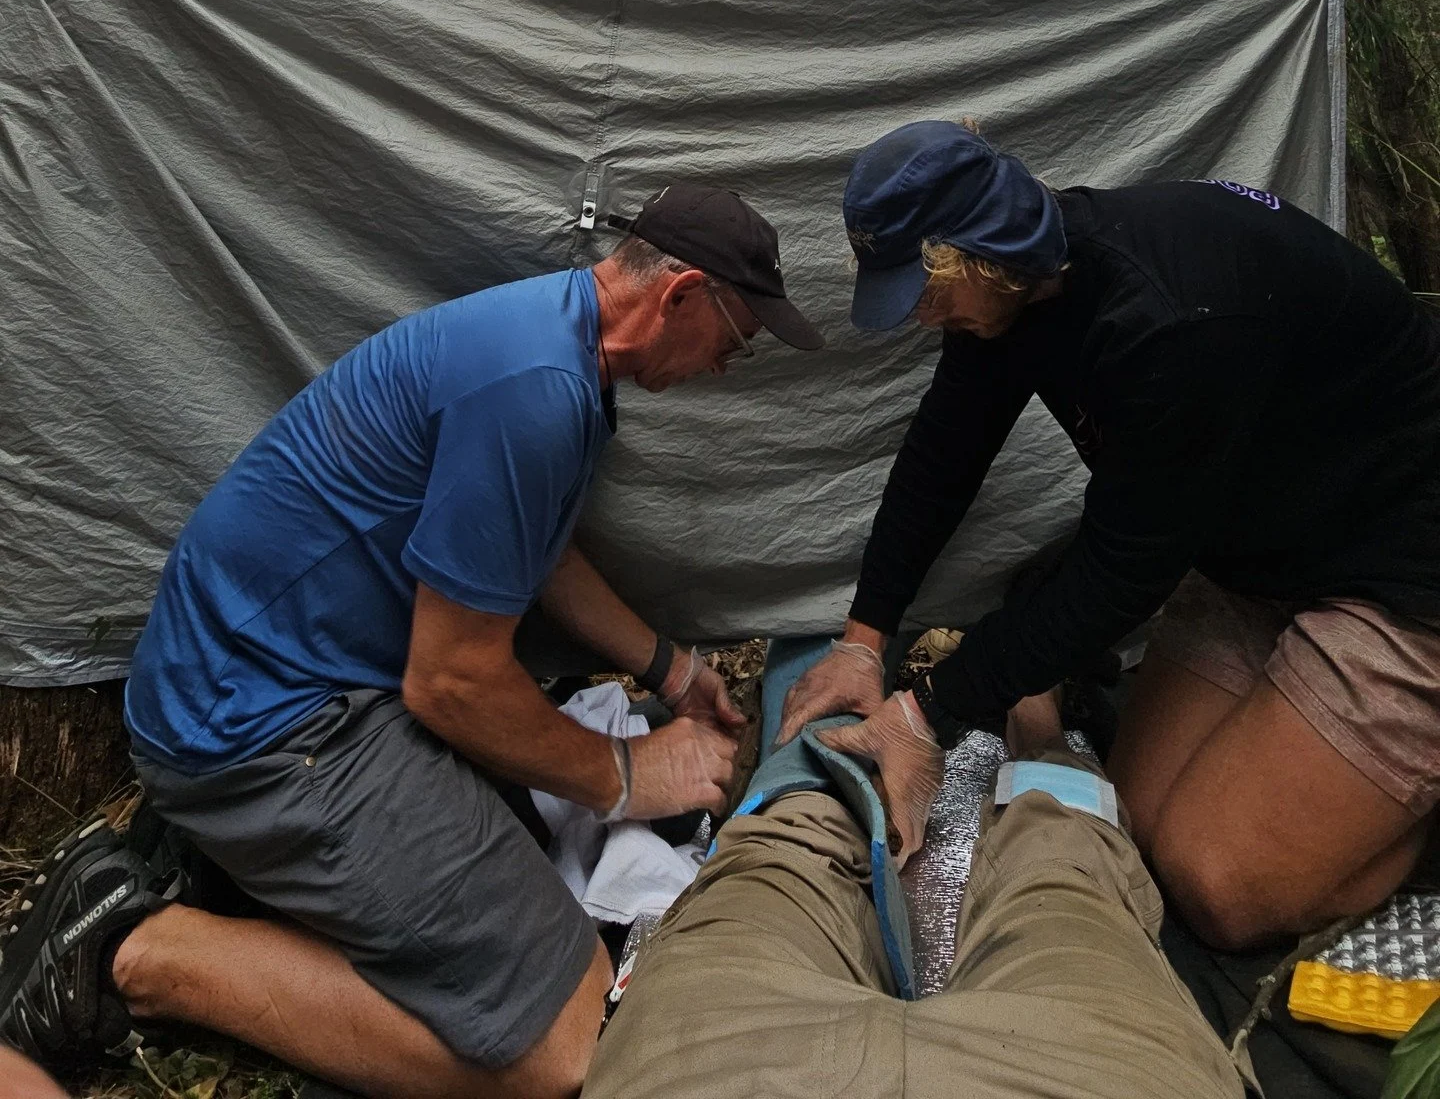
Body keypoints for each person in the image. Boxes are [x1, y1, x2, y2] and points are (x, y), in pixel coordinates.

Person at [0, 182, 823, 1099]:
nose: (724, 369)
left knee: (520, 859)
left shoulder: (551, 345)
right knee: (575, 1047)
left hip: (265, 687)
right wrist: (628, 778)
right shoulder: (538, 390)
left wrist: (672, 672)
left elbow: (535, 552)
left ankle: (237, 877)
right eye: (736, 341)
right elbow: (453, 686)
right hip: (261, 735)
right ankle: (130, 948)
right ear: (678, 297)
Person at [780, 118, 1440, 950]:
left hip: (1406, 578)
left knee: (1218, 889)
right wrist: (862, 639)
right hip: (1260, 557)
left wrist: (925, 715)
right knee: (1144, 814)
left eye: (928, 295)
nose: (919, 317)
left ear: (981, 257)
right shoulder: (1013, 298)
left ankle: (1406, 803)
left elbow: (1122, 572)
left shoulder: (1167, 321)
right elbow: (941, 457)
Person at [584, 684, 1248, 1099]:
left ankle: (828, 707)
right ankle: (1037, 733)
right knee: (1067, 871)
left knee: (780, 852)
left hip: (712, 1072)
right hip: (1100, 1075)